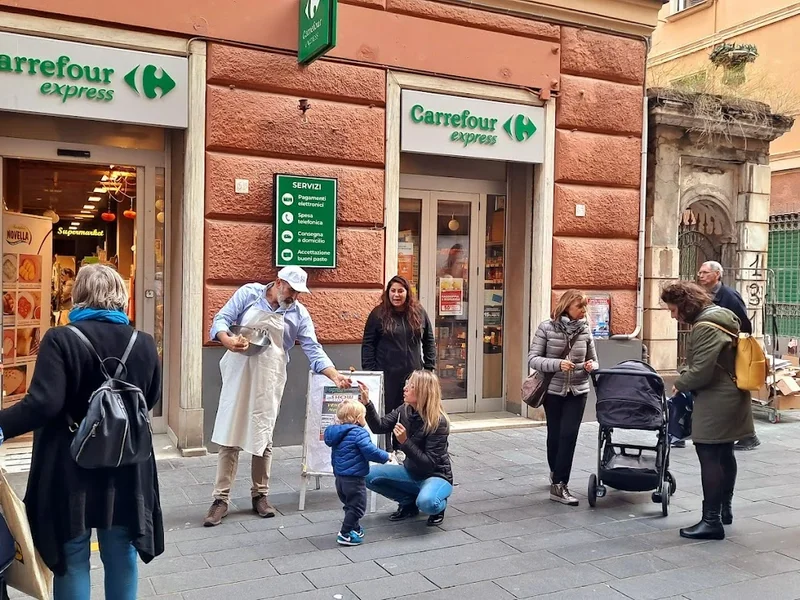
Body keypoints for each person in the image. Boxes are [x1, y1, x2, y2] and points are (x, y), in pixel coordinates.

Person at [0, 264, 163, 599]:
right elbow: (150, 398)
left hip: (71, 466)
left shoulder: (61, 339)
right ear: (120, 296)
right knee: (122, 551)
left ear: (79, 296)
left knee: (72, 555)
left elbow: (43, 404)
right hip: (127, 463)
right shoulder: (143, 342)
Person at [205, 266, 352, 527]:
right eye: (292, 290)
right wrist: (227, 340)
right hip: (239, 370)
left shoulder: (298, 313)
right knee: (230, 433)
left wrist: (334, 375)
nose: (295, 296)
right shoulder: (249, 293)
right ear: (278, 282)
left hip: (269, 376)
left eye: (299, 292)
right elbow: (221, 319)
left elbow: (313, 349)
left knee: (264, 433)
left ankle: (260, 495)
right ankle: (220, 500)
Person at [661, 281, 754, 540]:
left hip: (717, 399)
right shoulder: (722, 314)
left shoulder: (704, 326)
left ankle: (711, 521)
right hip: (732, 394)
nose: (673, 315)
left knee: (709, 454)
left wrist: (681, 382)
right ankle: (724, 510)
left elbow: (702, 370)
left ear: (685, 305)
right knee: (724, 453)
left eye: (673, 309)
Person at [528, 289, 598, 506]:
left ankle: (559, 484)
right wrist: (557, 364)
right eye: (580, 307)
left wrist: (590, 366)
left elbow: (594, 360)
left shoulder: (585, 330)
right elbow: (533, 359)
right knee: (555, 435)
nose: (584, 311)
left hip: (578, 391)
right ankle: (555, 471)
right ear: (567, 305)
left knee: (569, 435)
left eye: (586, 307)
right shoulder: (546, 328)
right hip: (553, 391)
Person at [358, 370, 453, 525]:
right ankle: (408, 502)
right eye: (407, 384)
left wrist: (405, 442)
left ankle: (438, 505)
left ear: (423, 392)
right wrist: (367, 404)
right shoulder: (404, 409)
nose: (405, 388)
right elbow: (379, 427)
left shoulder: (438, 422)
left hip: (436, 475)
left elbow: (429, 464)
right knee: (367, 474)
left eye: (411, 386)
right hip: (411, 471)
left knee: (428, 503)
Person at [361, 276, 436, 451]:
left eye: (400, 291)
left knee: (411, 413)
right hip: (387, 374)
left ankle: (407, 448)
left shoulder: (419, 312)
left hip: (413, 375)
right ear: (388, 293)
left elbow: (429, 340)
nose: (396, 295)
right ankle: (387, 449)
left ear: (407, 293)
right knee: (388, 413)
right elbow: (368, 344)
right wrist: (370, 372)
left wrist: (429, 367)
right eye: (393, 291)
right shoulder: (378, 314)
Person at [697, 261, 760, 452]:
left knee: (737, 390)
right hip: (719, 351)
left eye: (705, 272)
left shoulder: (729, 296)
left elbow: (745, 325)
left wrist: (732, 344)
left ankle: (749, 436)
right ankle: (740, 434)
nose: (700, 275)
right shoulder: (704, 294)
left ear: (717, 275)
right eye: (699, 272)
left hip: (731, 352)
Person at [324, 400, 390, 546]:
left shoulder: (334, 432)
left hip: (340, 479)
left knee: (349, 504)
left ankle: (356, 528)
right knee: (357, 507)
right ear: (358, 418)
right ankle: (345, 534)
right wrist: (386, 456)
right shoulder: (359, 433)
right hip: (354, 479)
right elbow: (370, 451)